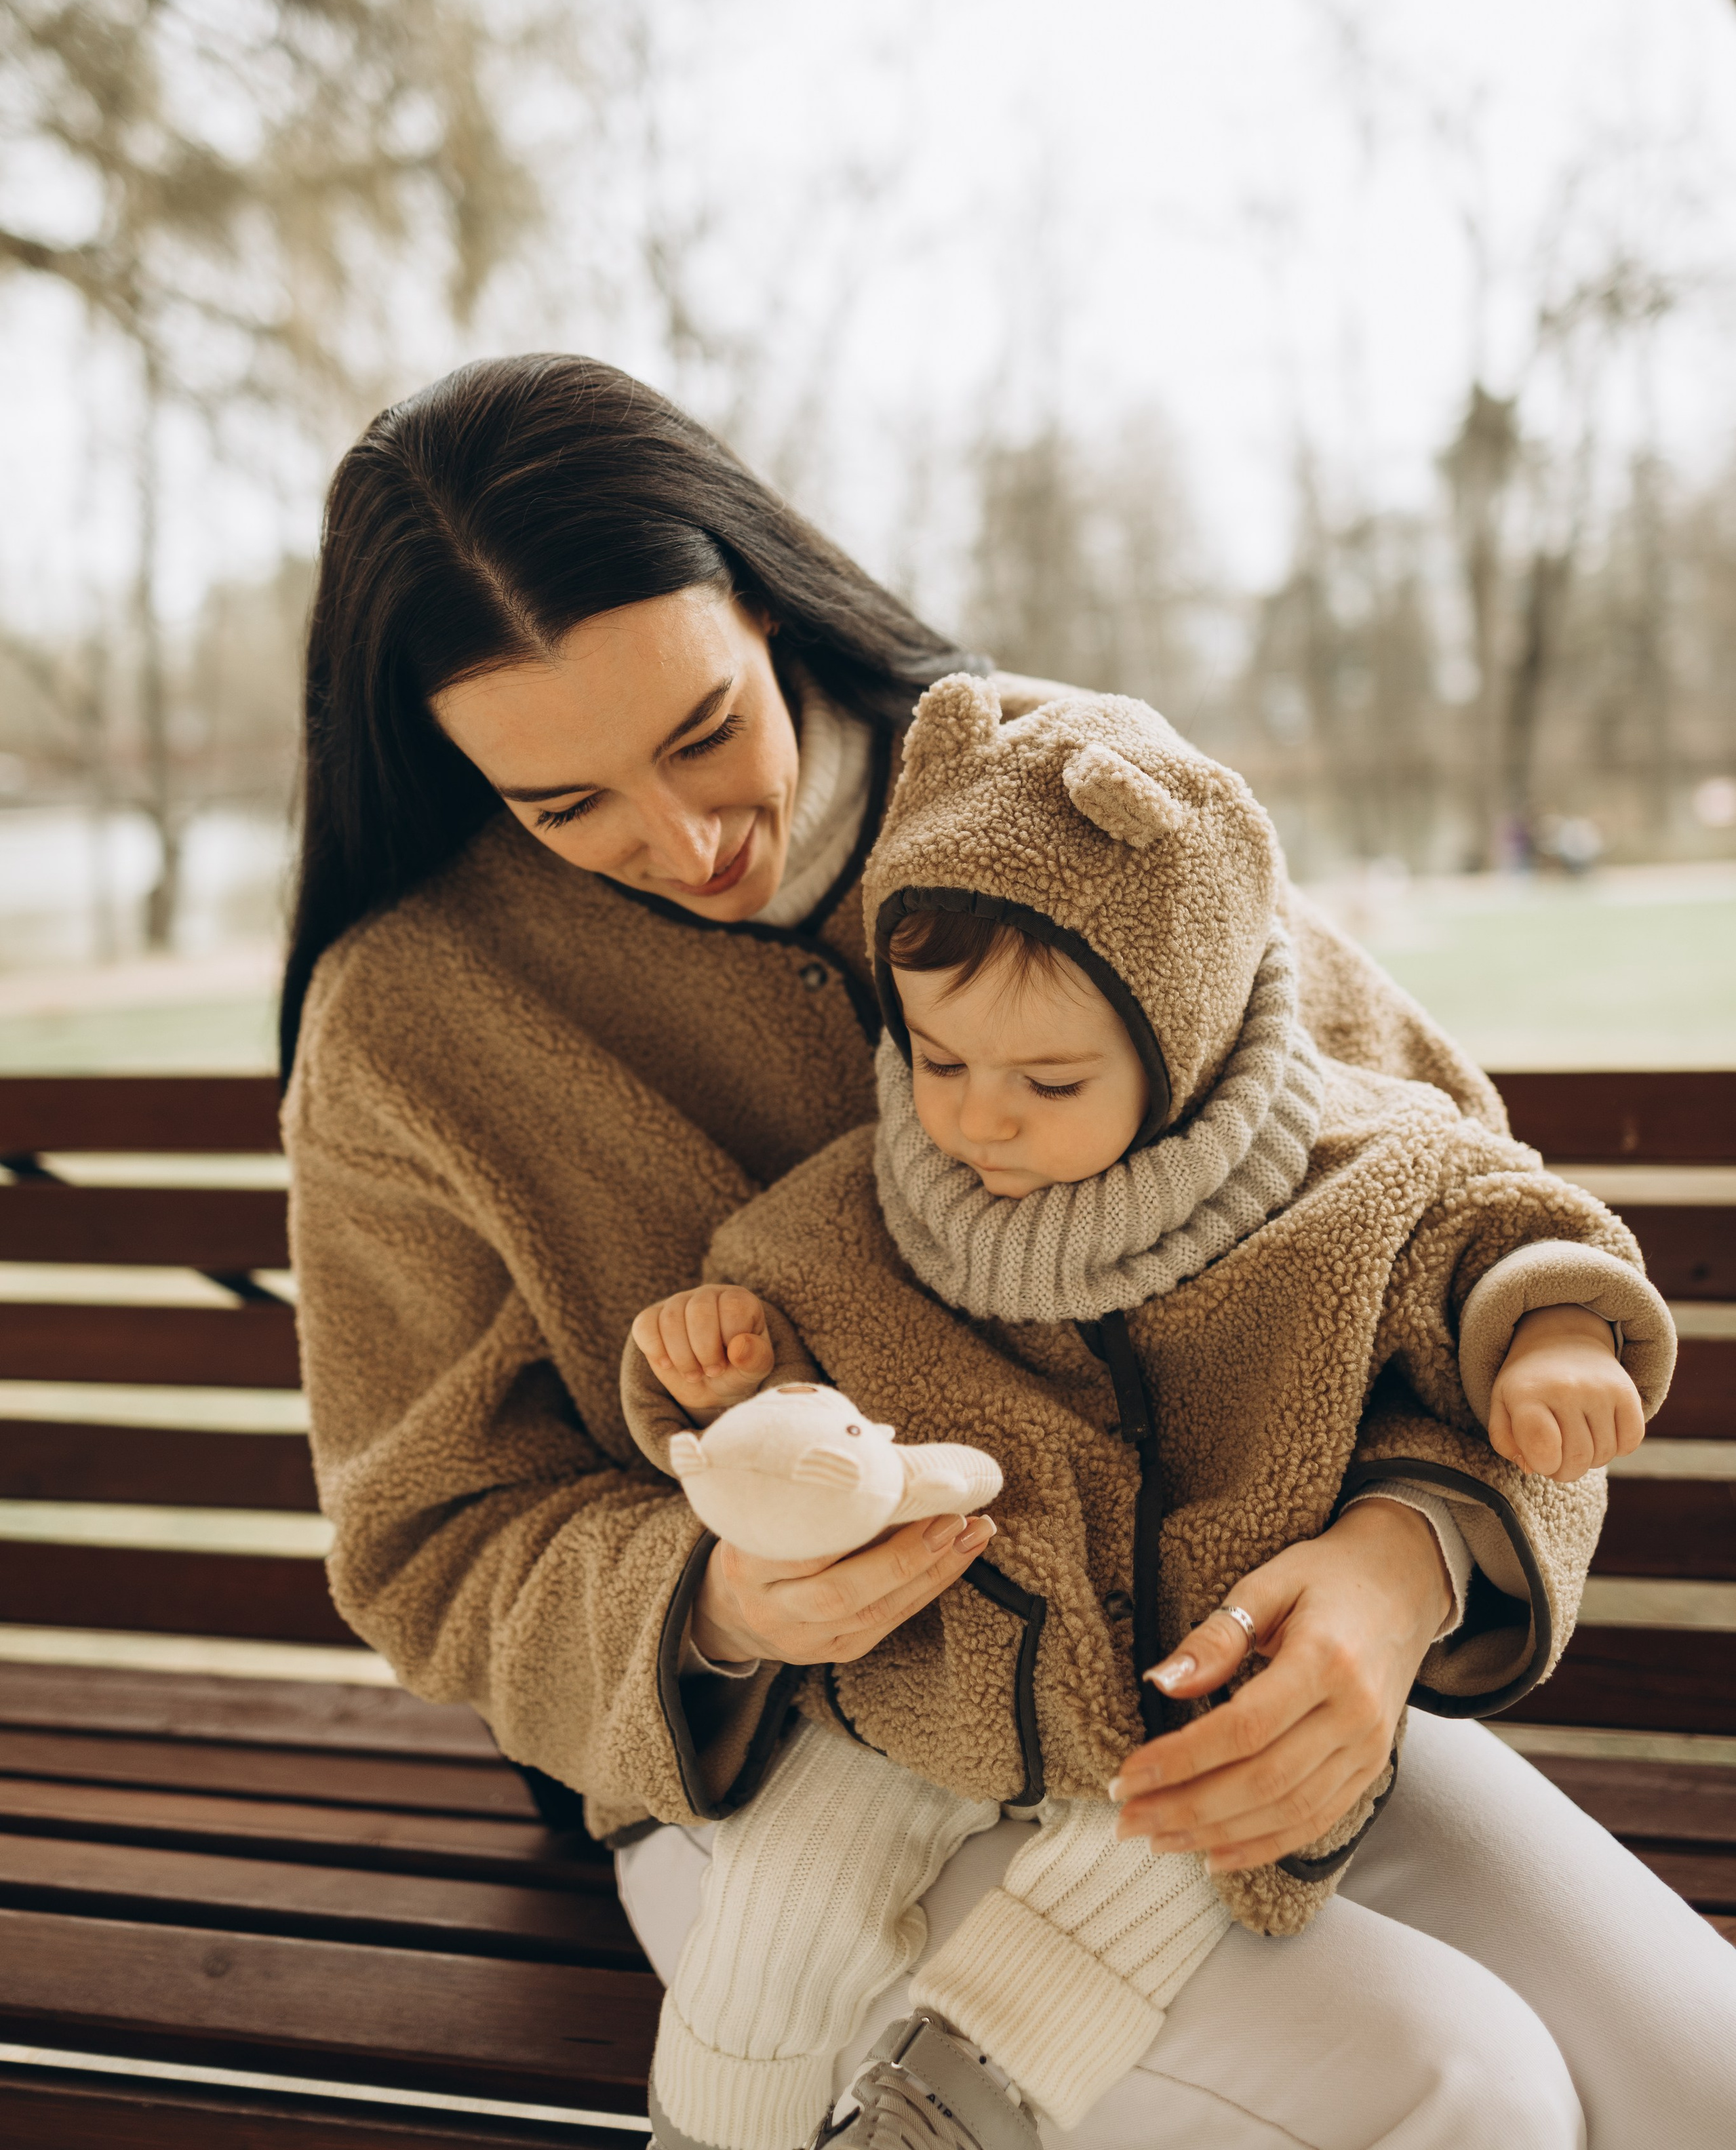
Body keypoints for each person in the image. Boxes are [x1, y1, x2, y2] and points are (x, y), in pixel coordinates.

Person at [284, 353, 1736, 2150]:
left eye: (702, 731)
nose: (686, 841)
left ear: (758, 593)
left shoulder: (1089, 801)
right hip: (795, 1782)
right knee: (1459, 2094)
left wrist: (1399, 1570)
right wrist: (727, 1605)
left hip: (1226, 1668)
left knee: (1704, 2079)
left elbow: (1451, 1204)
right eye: (562, 807)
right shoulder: (413, 1026)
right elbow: (430, 1541)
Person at [620, 675, 1672, 2150]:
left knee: (1166, 1862)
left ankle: (948, 2108)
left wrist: (1550, 1337)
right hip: (926, 1693)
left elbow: (1491, 1220)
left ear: (1177, 1046)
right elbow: (774, 1365)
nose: (976, 1117)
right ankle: (711, 2123)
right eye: (936, 1061)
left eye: (1046, 1079)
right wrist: (722, 1374)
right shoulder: (852, 1217)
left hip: (1209, 1698)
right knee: (792, 1888)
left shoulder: (1347, 1167)